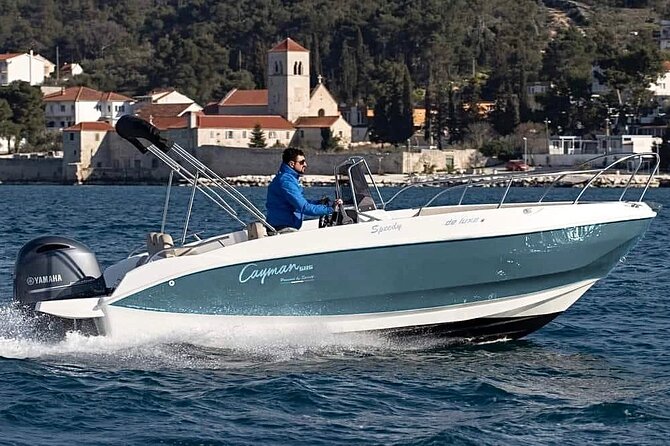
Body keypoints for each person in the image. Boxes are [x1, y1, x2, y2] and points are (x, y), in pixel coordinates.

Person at [266, 148, 342, 231]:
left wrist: (319, 203)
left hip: (286, 227)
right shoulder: (286, 181)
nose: (305, 164)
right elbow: (304, 207)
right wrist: (330, 209)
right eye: (302, 162)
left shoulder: (289, 179)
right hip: (283, 229)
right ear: (292, 164)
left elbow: (299, 202)